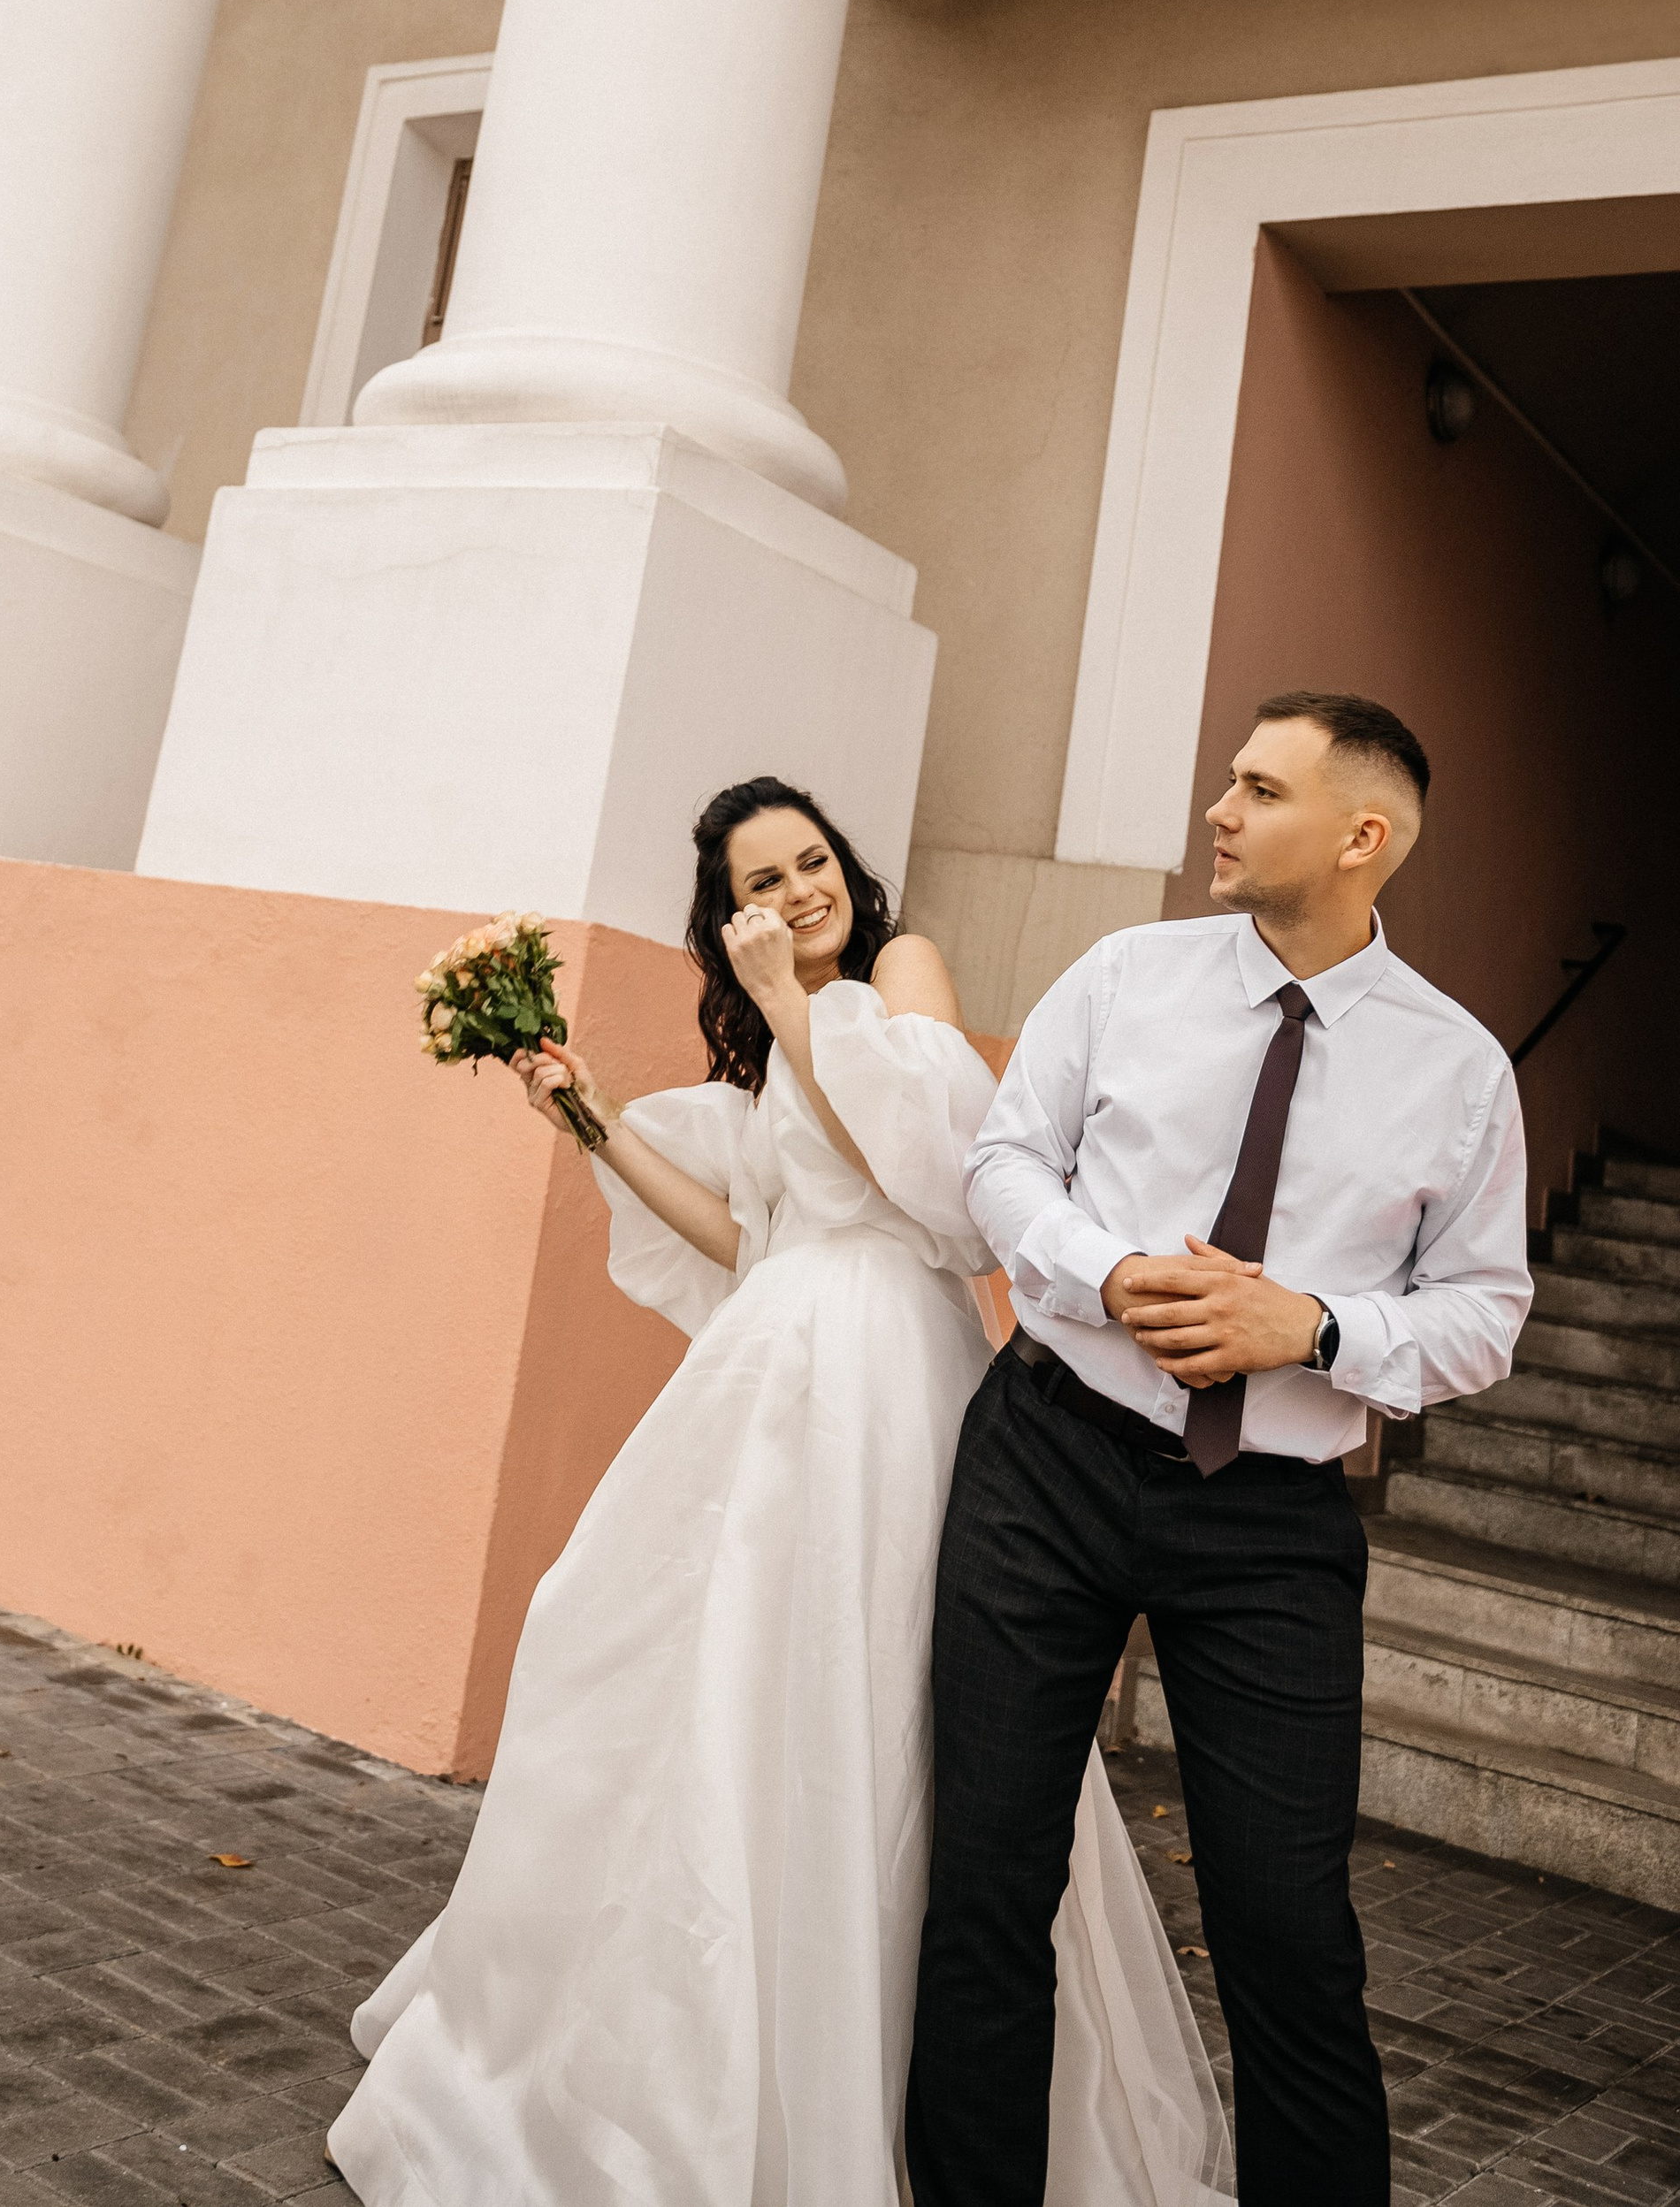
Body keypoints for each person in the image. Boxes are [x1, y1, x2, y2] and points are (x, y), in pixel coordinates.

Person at [329, 775, 1232, 2207]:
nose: (801, 890)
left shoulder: (898, 972)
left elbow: (935, 1184)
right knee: (677, 1670)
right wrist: (591, 1118)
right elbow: (749, 1237)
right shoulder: (768, 1043)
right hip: (769, 1368)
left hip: (892, 1372)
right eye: (766, 879)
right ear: (731, 909)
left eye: (814, 862)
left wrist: (796, 1003)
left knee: (874, 1690)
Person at [915, 691, 1532, 2207]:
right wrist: (1105, 1275)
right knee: (990, 1883)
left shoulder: (1461, 1074)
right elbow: (1005, 1158)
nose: (1220, 808)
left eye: (1260, 788)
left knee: (1287, 1930)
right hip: (1046, 1461)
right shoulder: (1127, 974)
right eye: (1229, 780)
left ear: (1361, 836)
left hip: (1270, 1523)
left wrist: (1310, 1330)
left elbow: (1486, 1314)